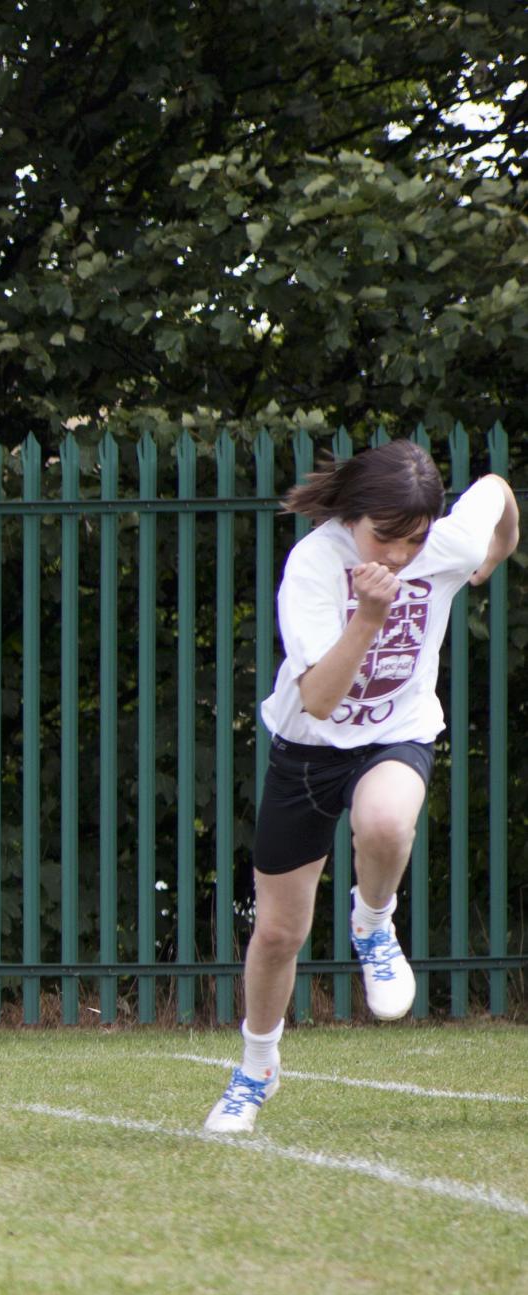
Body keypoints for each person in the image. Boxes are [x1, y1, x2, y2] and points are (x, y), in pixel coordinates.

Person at [205, 443, 516, 1134]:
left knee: (383, 825)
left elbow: (493, 486)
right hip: (309, 750)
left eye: (417, 538)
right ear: (353, 517)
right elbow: (317, 698)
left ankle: (373, 923)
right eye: (387, 538)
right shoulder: (315, 566)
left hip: (394, 732)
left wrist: (500, 545)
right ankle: (257, 1067)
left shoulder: (441, 542)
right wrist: (369, 617)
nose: (404, 555)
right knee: (280, 932)